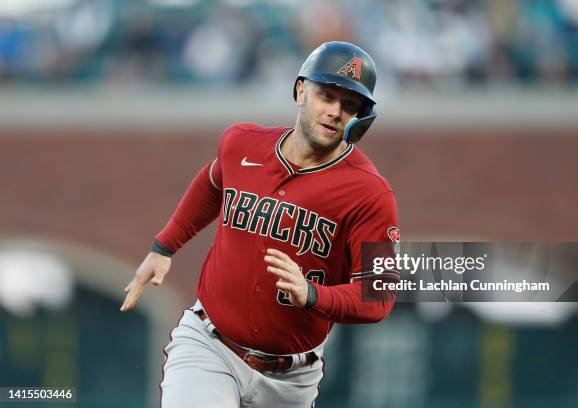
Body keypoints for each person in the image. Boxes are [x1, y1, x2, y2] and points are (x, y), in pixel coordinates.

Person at [120, 41, 400, 408]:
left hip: (292, 380)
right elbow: (212, 183)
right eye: (326, 96)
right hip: (210, 346)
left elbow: (378, 294)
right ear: (301, 91)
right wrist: (164, 246)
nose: (335, 112)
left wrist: (314, 295)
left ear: (362, 117)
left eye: (350, 106)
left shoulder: (370, 193)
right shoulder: (242, 144)